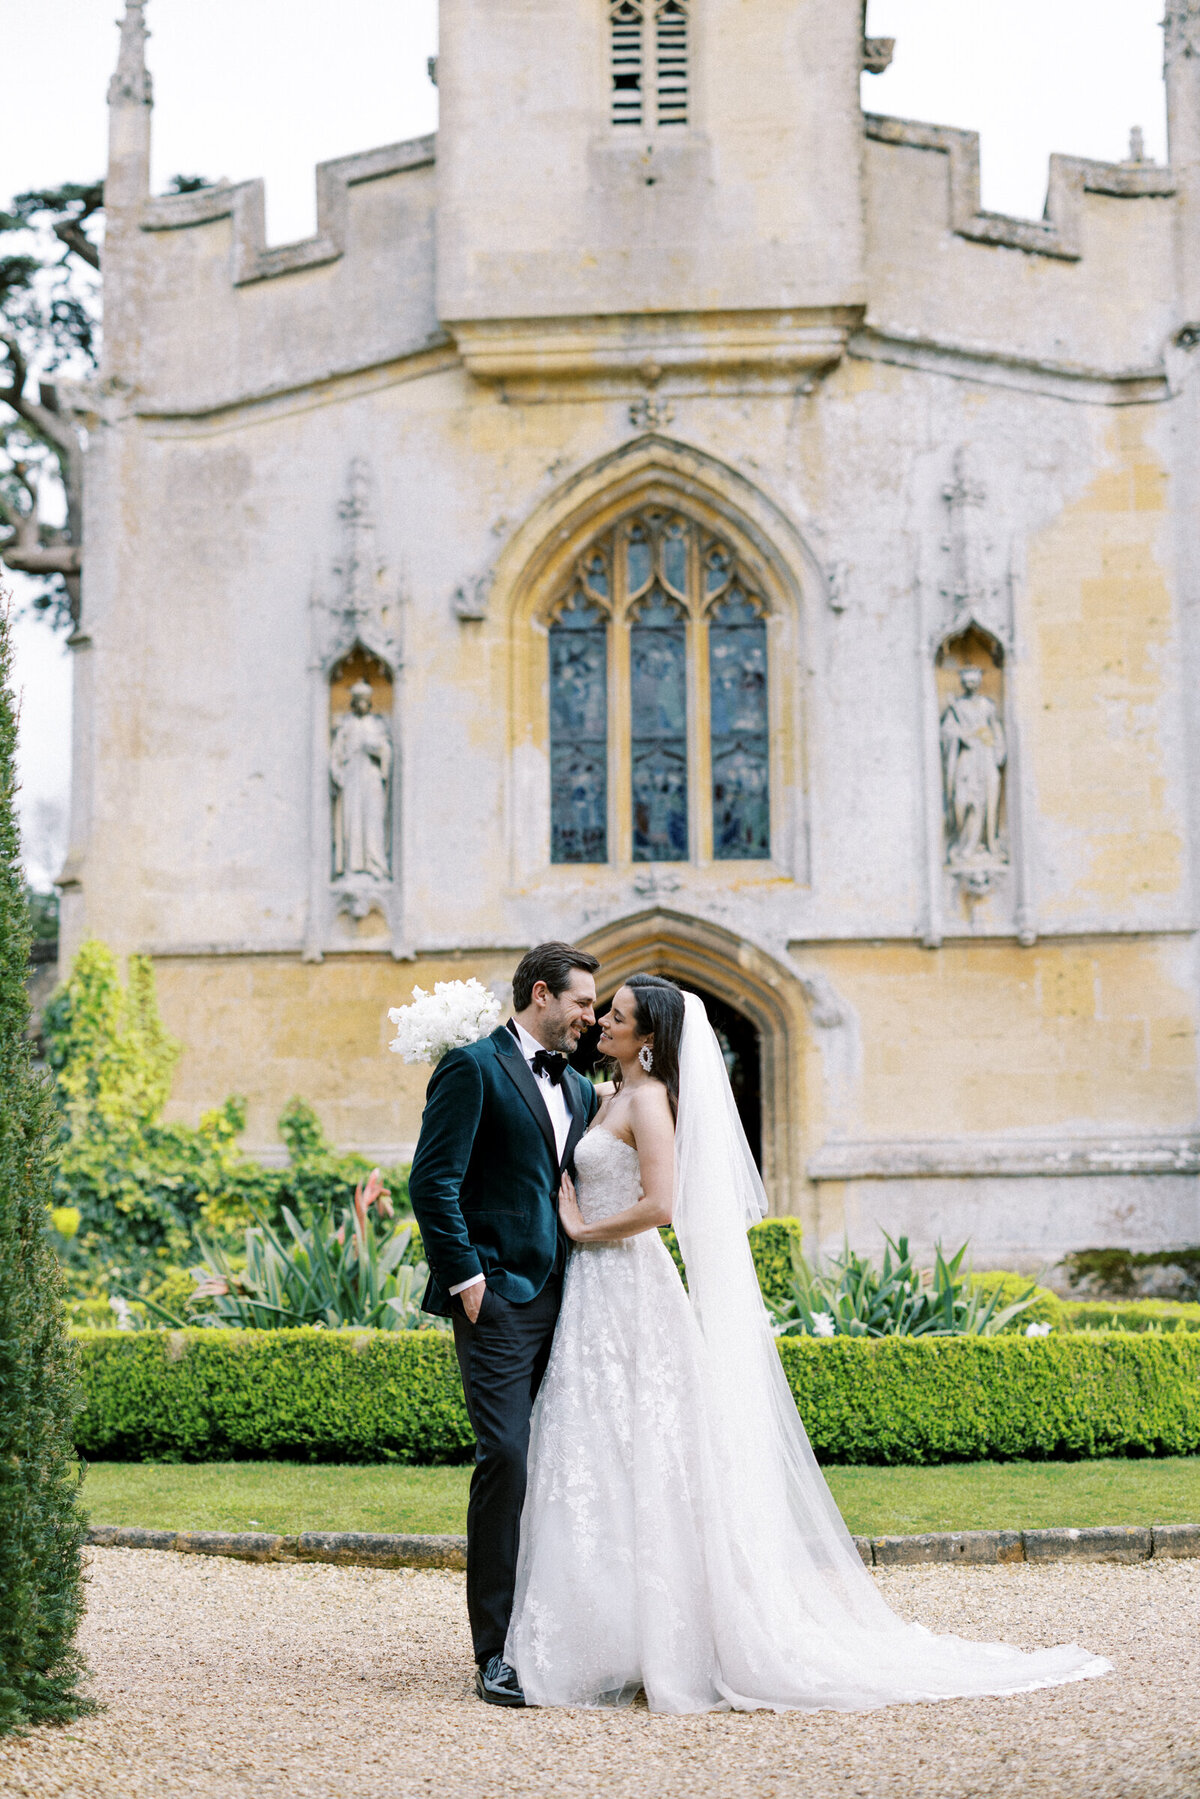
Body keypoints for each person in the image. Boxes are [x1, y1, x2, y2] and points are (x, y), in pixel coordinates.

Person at [505, 974, 1111, 1712]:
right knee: (593, 1453)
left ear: (651, 1036)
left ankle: (673, 1641)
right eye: (604, 1010)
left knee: (652, 1453)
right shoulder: (604, 1097)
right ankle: (606, 1636)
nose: (600, 1020)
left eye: (617, 1014)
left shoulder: (652, 1102)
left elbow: (662, 1204)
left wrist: (583, 1230)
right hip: (593, 1298)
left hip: (629, 1283)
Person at [407, 941, 600, 1707]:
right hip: (498, 1299)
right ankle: (495, 1650)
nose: (590, 1015)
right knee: (508, 1457)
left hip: (574, 1299)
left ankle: (561, 1631)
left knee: (567, 1466)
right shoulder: (472, 1066)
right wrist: (467, 1278)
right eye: (583, 1002)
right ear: (543, 993)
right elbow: (433, 1178)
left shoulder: (581, 1088)